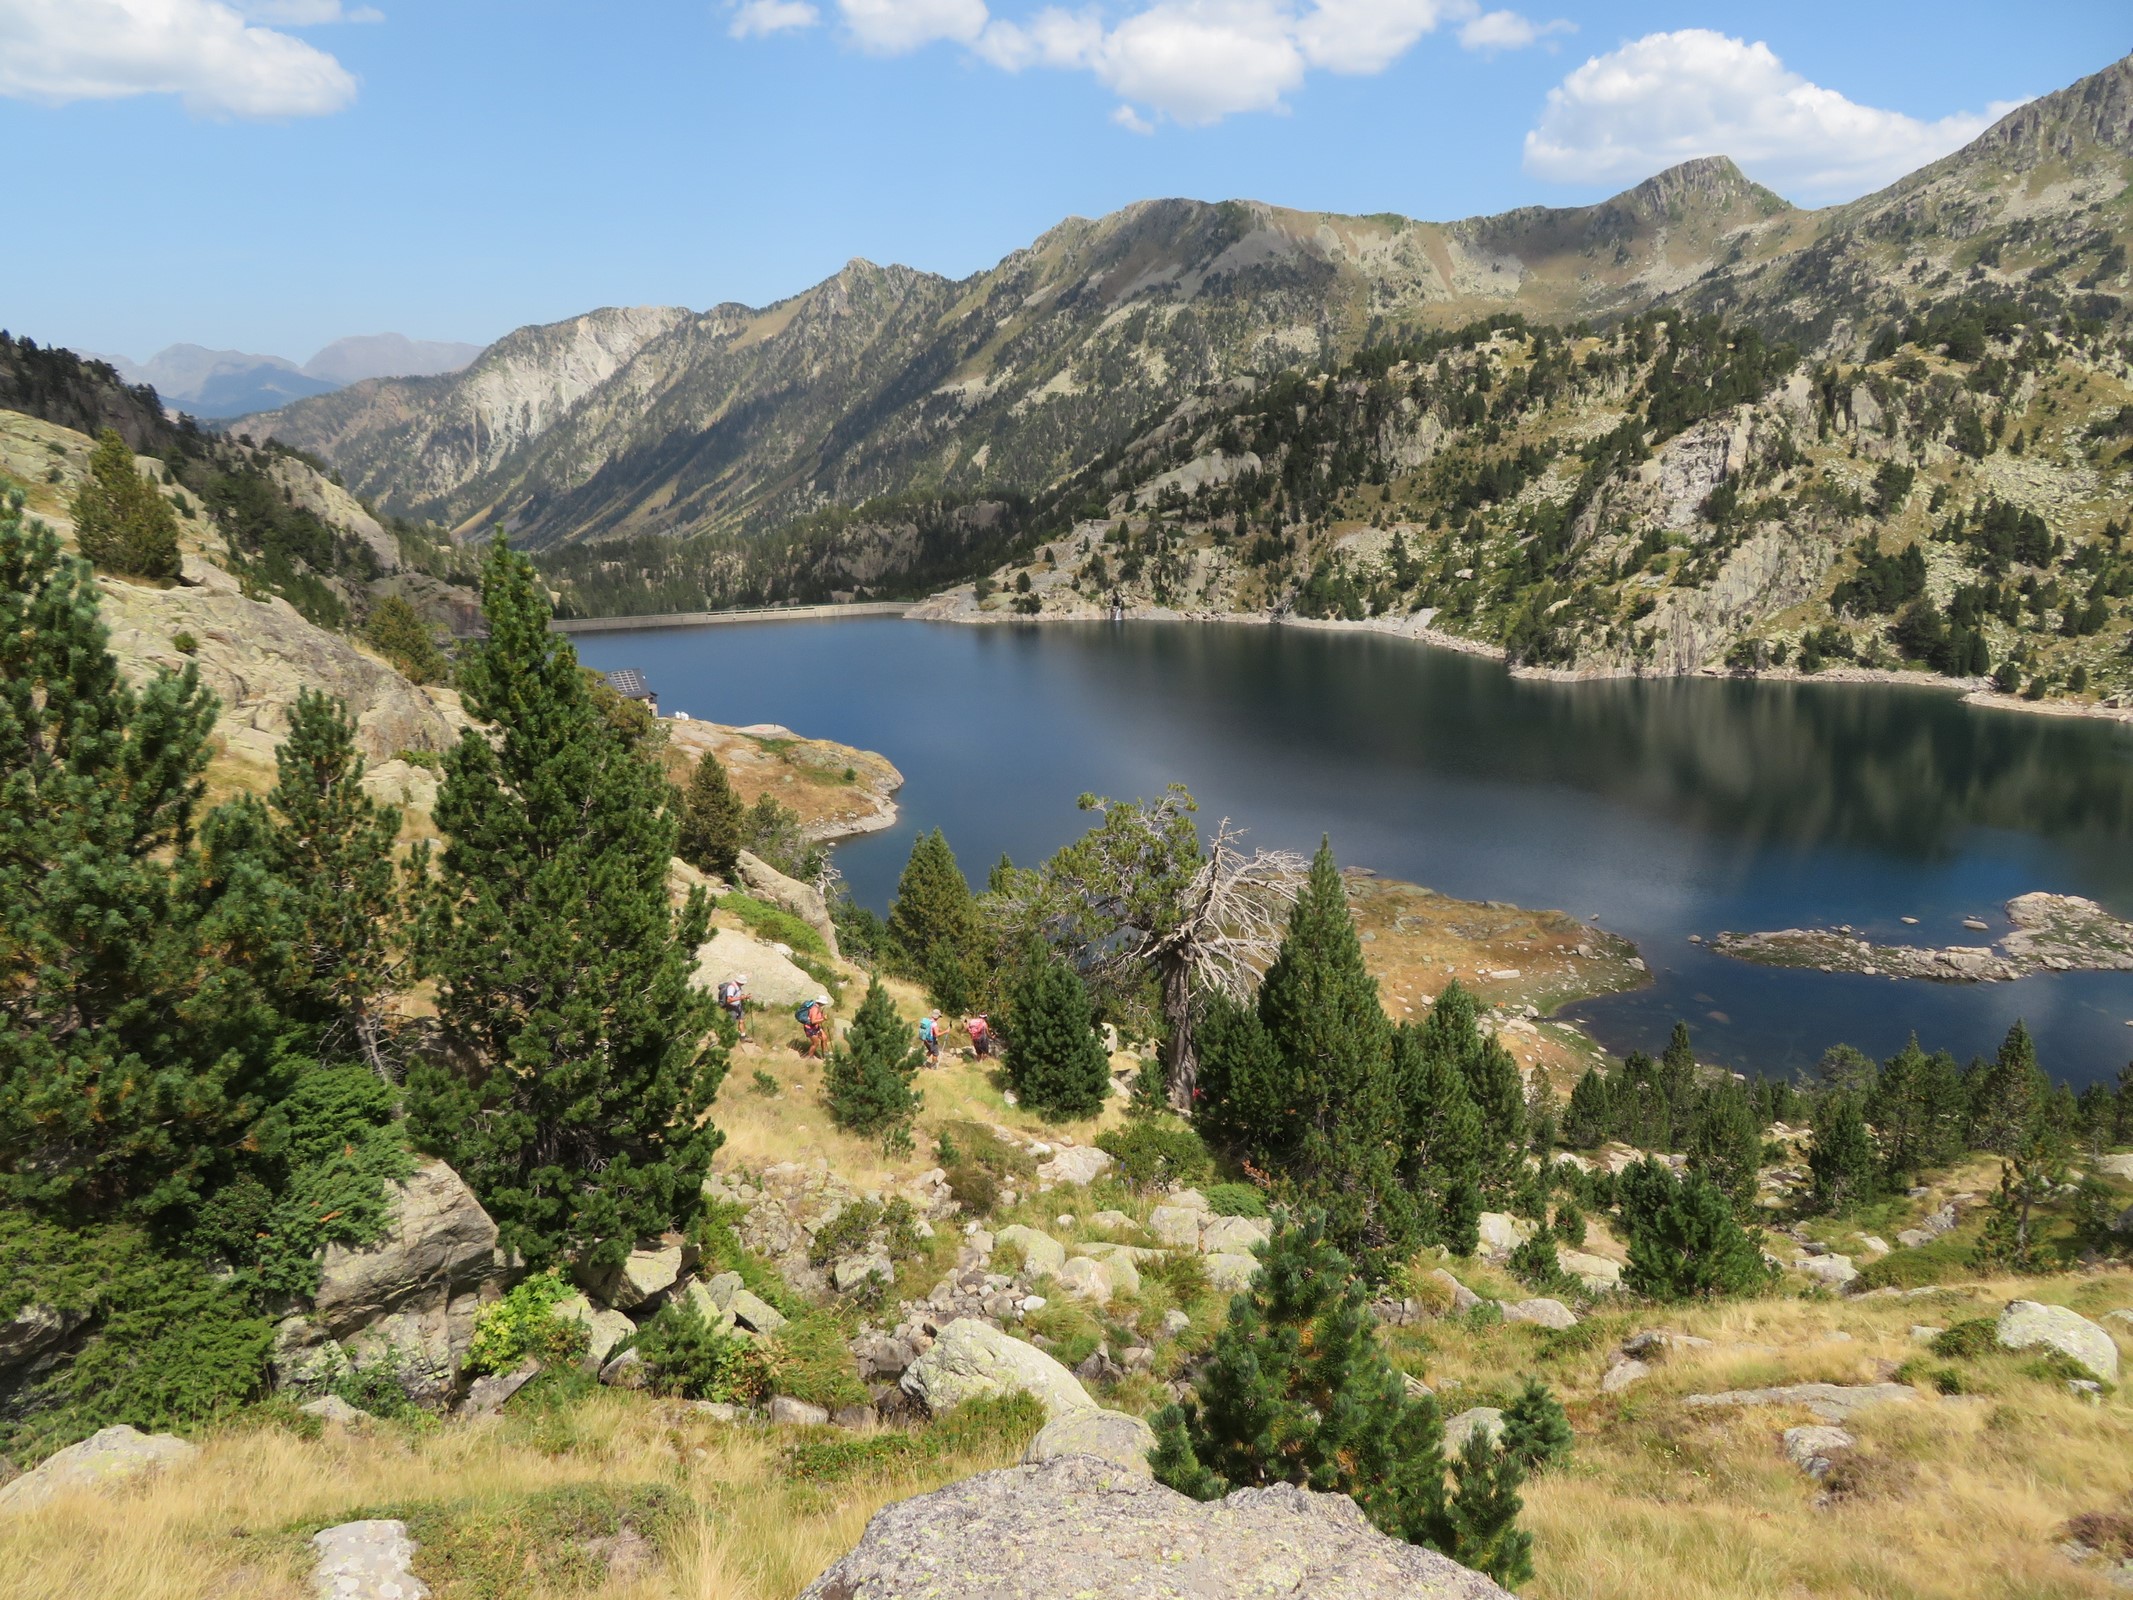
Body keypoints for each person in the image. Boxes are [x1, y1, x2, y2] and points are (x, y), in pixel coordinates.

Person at [717, 973, 750, 1041]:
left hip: (738, 1006)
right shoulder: (731, 987)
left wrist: (744, 997)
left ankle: (743, 1036)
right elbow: (729, 1000)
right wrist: (741, 998)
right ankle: (727, 1038)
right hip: (732, 1008)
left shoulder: (737, 986)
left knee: (741, 1020)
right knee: (731, 1023)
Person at [799, 993, 830, 1059]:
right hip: (810, 1028)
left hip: (815, 1027)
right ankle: (810, 1057)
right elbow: (813, 1021)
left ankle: (826, 1055)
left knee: (824, 1038)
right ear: (821, 1002)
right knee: (815, 1043)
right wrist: (823, 1019)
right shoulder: (815, 1009)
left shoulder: (818, 1008)